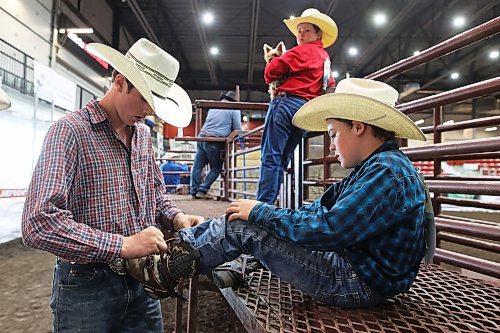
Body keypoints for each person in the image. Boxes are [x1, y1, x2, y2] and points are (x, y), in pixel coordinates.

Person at [127, 78, 433, 309]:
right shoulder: (377, 168)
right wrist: (263, 211)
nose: (331, 145)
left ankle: (164, 271)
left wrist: (260, 212)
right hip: (360, 272)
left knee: (243, 227)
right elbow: (318, 215)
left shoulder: (386, 173)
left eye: (333, 134)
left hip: (356, 282)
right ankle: (188, 255)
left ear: (357, 127)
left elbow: (328, 229)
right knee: (249, 220)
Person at [21, 38, 204, 332]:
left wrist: (176, 217)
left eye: (155, 104)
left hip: (143, 280)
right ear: (120, 82)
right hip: (87, 285)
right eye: (145, 99)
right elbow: (38, 223)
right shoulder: (69, 132)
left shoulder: (142, 137)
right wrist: (123, 245)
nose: (149, 111)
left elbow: (154, 196)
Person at [257, 8, 338, 204]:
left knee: (270, 158)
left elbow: (271, 71)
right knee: (282, 160)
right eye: (299, 31)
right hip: (305, 112)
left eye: (307, 30)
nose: (301, 34)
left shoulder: (300, 51)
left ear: (318, 33)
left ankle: (261, 207)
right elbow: (331, 85)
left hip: (285, 104)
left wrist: (272, 70)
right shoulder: (325, 58)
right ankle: (269, 206)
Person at [190, 90, 242, 199]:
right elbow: (237, 128)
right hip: (215, 140)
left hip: (202, 136)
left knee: (198, 166)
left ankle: (193, 191)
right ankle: (202, 190)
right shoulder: (234, 109)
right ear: (234, 101)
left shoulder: (214, 106)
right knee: (216, 168)